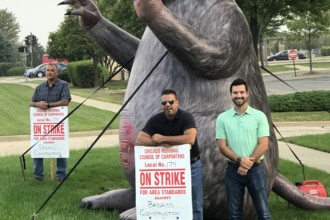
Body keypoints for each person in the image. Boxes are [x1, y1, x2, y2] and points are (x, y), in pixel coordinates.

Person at [136, 89, 203, 220]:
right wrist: (158, 144)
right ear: (161, 105)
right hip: (168, 170)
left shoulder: (186, 117)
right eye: (164, 102)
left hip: (192, 166)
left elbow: (190, 138)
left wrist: (163, 138)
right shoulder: (155, 120)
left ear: (177, 103)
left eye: (171, 101)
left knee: (196, 204)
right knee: (171, 205)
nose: (168, 105)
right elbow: (139, 140)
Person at [215, 78, 271, 220]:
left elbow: (263, 144)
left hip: (256, 170)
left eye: (241, 92)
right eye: (235, 92)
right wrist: (240, 161)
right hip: (233, 170)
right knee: (234, 214)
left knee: (263, 213)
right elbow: (222, 146)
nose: (238, 95)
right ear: (230, 95)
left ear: (247, 94)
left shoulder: (259, 116)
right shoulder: (222, 118)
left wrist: (246, 164)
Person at [30, 62, 71, 182]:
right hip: (42, 124)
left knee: (60, 147)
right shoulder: (39, 87)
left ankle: (61, 175)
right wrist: (37, 104)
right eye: (47, 70)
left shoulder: (63, 85)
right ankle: (38, 175)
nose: (49, 72)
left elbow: (65, 101)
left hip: (58, 123)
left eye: (52, 70)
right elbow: (31, 103)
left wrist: (49, 105)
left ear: (56, 72)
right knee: (38, 146)